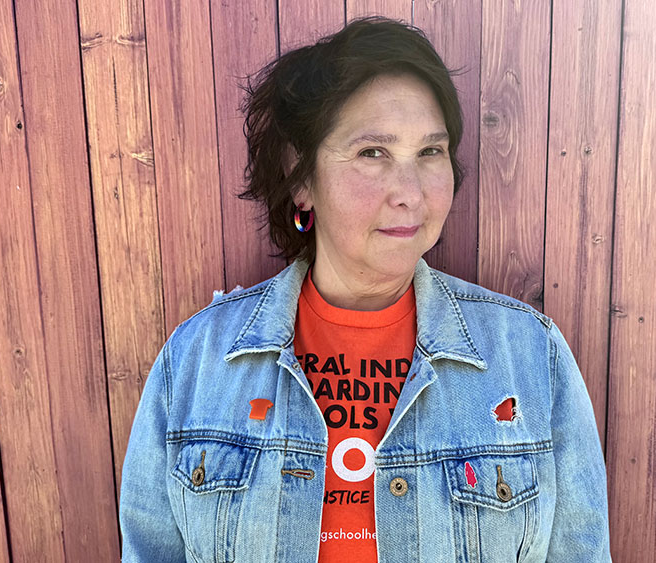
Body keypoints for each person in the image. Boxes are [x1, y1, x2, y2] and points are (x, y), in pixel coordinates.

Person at [119, 16, 611, 562]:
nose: (409, 193)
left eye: (430, 152)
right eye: (372, 152)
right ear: (300, 176)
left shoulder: (528, 356)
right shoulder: (198, 362)